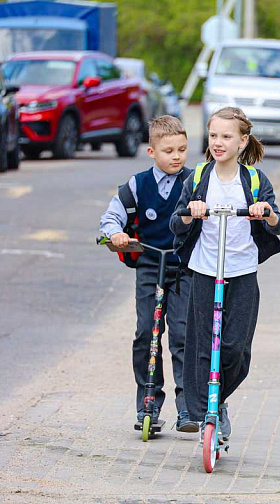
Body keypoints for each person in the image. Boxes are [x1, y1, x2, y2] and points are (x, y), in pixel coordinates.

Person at [170, 106, 280, 440]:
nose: (218, 142)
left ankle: (217, 402)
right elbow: (175, 223)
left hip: (242, 271)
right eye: (213, 135)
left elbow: (279, 223)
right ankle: (201, 411)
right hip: (205, 270)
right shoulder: (197, 177)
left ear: (242, 141)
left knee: (236, 349)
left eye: (226, 136)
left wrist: (266, 213)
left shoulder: (253, 180)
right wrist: (192, 213)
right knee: (201, 346)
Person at [99, 115, 198, 432]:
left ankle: (188, 409)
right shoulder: (137, 185)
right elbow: (111, 216)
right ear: (152, 152)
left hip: (184, 267)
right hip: (149, 265)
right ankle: (148, 405)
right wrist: (115, 233)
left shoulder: (195, 182)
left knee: (183, 336)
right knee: (148, 333)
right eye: (169, 150)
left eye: (182, 149)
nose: (177, 156)